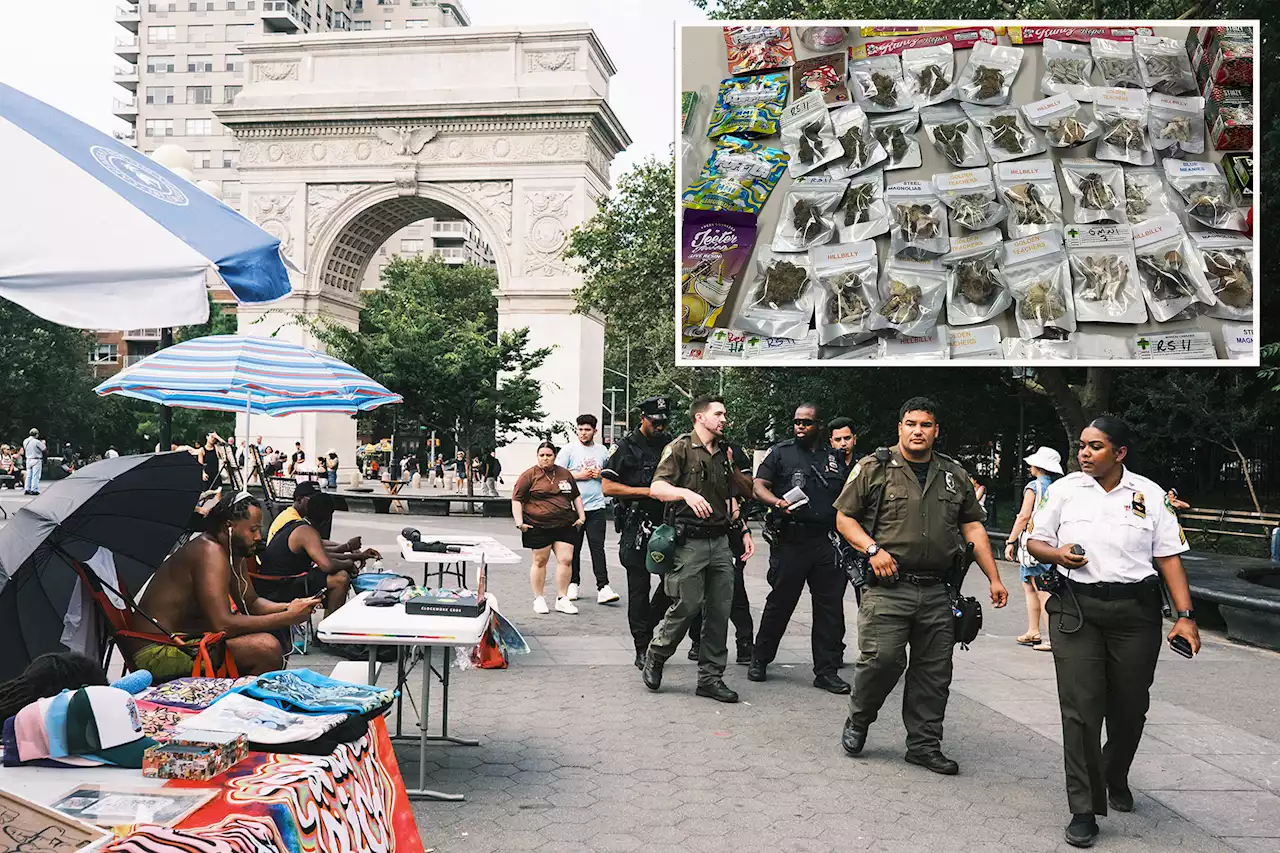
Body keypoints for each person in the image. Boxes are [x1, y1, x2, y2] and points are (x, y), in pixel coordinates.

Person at [1026, 416, 1201, 849]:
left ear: (1119, 453)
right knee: (1081, 709)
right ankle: (1083, 808)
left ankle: (1114, 772)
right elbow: (1035, 541)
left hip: (1134, 613)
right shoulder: (1064, 490)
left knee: (1130, 707)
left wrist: (1186, 615)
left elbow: (1170, 557)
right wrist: (1057, 553)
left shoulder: (1149, 493)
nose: (1084, 453)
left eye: (1095, 446)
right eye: (1082, 446)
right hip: (1076, 609)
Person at [835, 396, 1008, 774]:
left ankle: (924, 744)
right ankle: (859, 719)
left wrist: (994, 577)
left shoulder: (953, 474)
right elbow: (844, 519)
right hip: (887, 586)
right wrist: (873, 549)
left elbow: (972, 526)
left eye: (925, 425)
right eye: (911, 423)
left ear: (935, 431)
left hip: (937, 591)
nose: (918, 431)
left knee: (933, 672)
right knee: (881, 661)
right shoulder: (873, 468)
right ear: (900, 428)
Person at [124, 492, 321, 680]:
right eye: (252, 529)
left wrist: (290, 606)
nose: (258, 537)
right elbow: (223, 625)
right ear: (229, 527)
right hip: (157, 651)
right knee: (265, 648)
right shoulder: (209, 551)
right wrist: (287, 617)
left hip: (186, 642)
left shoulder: (233, 551)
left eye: (258, 529)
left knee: (265, 641)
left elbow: (251, 603)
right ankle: (241, 709)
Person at [642, 395, 755, 704]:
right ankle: (657, 653)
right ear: (700, 418)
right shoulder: (679, 448)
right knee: (687, 605)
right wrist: (685, 494)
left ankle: (710, 678)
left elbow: (730, 498)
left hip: (720, 542)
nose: (723, 419)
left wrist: (743, 529)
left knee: (719, 611)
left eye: (725, 414)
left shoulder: (724, 454)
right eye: (718, 414)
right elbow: (657, 488)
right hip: (688, 541)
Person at [749, 403, 850, 694]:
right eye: (796, 422)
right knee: (780, 604)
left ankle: (827, 671)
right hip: (791, 541)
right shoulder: (781, 452)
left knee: (830, 609)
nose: (800, 426)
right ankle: (760, 658)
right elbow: (758, 486)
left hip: (826, 542)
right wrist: (778, 503)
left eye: (806, 422)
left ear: (820, 425)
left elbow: (847, 494)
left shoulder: (834, 457)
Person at [602, 396, 676, 669]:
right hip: (638, 524)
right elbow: (608, 487)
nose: (660, 426)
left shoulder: (670, 446)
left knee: (673, 583)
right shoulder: (625, 447)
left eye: (664, 422)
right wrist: (648, 492)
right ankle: (641, 646)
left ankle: (650, 621)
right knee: (639, 588)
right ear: (642, 419)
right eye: (655, 421)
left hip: (668, 524)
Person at [686, 434, 755, 666]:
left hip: (729, 531)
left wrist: (744, 530)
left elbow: (741, 495)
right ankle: (697, 641)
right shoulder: (689, 451)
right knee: (696, 592)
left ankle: (745, 644)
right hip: (700, 531)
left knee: (735, 590)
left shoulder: (732, 452)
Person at [257, 492, 377, 616]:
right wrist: (348, 562)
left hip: (280, 580)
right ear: (327, 518)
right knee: (340, 579)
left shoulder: (299, 526)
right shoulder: (305, 531)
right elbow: (327, 565)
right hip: (278, 585)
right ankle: (328, 628)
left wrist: (354, 557)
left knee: (337, 574)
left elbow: (325, 556)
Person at [512, 442, 586, 615]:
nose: (545, 458)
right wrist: (519, 522)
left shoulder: (564, 473)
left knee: (566, 559)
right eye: (542, 455)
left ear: (554, 456)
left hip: (564, 523)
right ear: (537, 456)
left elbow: (576, 496)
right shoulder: (529, 475)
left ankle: (562, 598)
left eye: (549, 455)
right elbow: (517, 499)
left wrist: (582, 517)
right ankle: (539, 598)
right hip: (538, 525)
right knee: (540, 561)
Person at [1004, 447, 1064, 652]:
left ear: (1038, 466)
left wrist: (1011, 541)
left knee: (1040, 590)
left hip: (1033, 544)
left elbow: (1023, 515)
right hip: (1051, 543)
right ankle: (1033, 630)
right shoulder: (1058, 487)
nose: (1029, 466)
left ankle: (1050, 636)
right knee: (1032, 586)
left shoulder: (1033, 487)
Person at [557, 415, 620, 605]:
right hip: (573, 509)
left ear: (595, 431)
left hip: (596, 507)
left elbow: (613, 475)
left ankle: (603, 586)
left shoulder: (603, 451)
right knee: (573, 547)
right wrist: (580, 475)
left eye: (587, 429)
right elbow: (558, 475)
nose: (583, 433)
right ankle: (573, 583)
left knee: (597, 547)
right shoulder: (569, 450)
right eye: (581, 429)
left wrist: (600, 474)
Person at [22, 428, 45, 495]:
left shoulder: (25, 441)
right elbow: (44, 449)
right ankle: (34, 489)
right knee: (35, 475)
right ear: (36, 434)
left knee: (29, 475)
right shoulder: (37, 442)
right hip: (36, 459)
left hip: (28, 459)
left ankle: (27, 489)